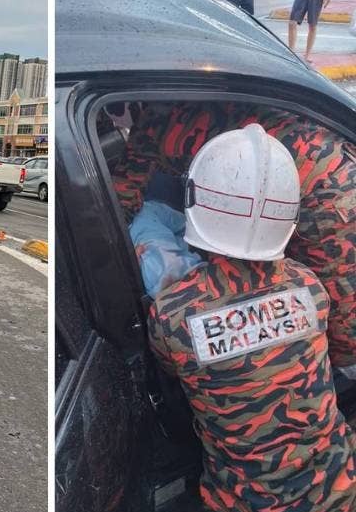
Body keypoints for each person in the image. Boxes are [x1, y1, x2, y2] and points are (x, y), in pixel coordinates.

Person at [134, 125, 356, 512]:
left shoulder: (173, 312)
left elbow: (168, 372)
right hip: (341, 504)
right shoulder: (310, 286)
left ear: (197, 204)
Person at [111, 101, 356, 375]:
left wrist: (113, 244)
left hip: (323, 184)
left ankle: (344, 370)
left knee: (341, 299)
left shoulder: (172, 318)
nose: (115, 121)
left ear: (135, 105)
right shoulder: (308, 286)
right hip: (298, 169)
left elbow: (122, 196)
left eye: (115, 112)